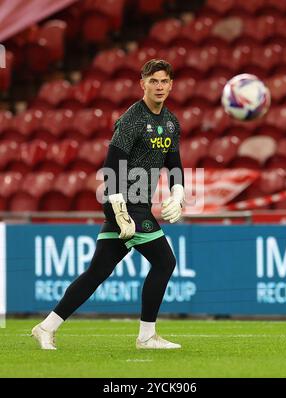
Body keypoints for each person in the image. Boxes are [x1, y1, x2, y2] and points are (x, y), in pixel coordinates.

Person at [31, 59, 185, 350]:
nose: (159, 86)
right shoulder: (132, 119)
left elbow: (174, 165)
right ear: (143, 84)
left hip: (137, 204)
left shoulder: (171, 122)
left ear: (171, 85)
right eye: (153, 81)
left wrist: (178, 195)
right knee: (165, 262)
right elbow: (111, 167)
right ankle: (146, 336)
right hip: (124, 202)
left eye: (164, 81)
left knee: (98, 272)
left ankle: (46, 326)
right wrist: (119, 208)